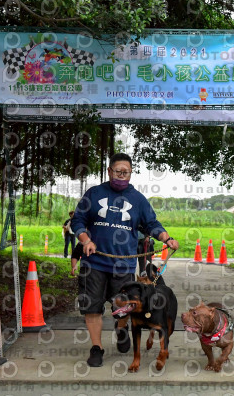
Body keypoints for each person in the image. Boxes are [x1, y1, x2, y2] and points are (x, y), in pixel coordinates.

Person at [71, 152, 179, 368]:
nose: (121, 175)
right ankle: (97, 347)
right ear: (109, 171)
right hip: (94, 262)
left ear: (131, 174)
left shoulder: (138, 199)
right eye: (118, 171)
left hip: (124, 265)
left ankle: (121, 329)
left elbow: (151, 224)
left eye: (126, 172)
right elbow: (78, 221)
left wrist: (166, 238)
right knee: (92, 307)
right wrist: (85, 240)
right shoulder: (94, 193)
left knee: (124, 305)